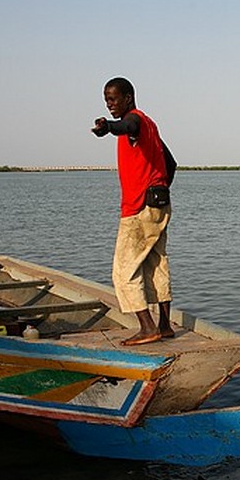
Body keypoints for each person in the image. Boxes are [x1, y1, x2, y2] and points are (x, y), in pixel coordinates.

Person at [91, 76, 177, 345]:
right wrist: (159, 187)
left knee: (123, 270)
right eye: (106, 100)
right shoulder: (151, 127)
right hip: (158, 204)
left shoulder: (135, 122)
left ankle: (147, 327)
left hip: (139, 208)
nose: (109, 104)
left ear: (128, 97)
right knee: (156, 265)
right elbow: (171, 163)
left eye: (113, 99)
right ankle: (164, 326)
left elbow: (128, 124)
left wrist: (109, 128)